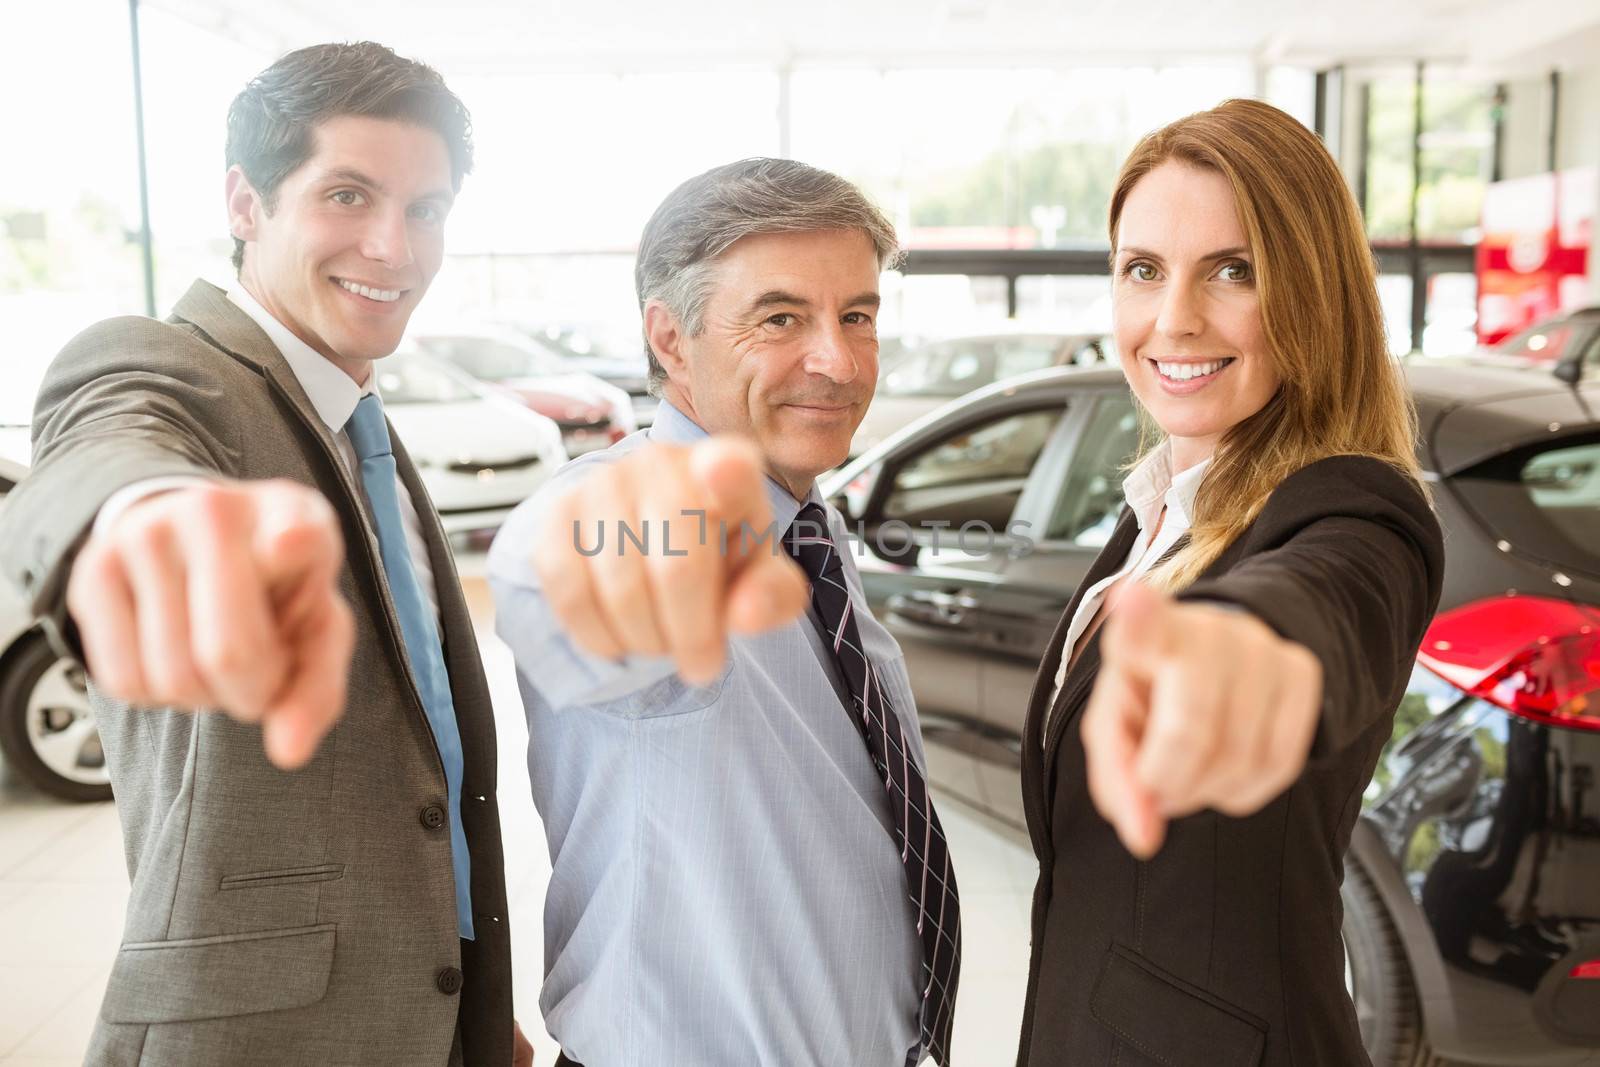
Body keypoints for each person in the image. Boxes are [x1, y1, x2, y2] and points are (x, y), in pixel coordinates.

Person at [0, 42, 532, 1066]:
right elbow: (113, 442)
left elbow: (426, 777)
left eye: (425, 210)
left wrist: (468, 1000)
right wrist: (148, 521)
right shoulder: (166, 366)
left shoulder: (360, 418)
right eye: (346, 194)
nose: (393, 246)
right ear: (246, 202)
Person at [488, 158, 961, 1067]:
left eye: (856, 316)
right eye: (781, 318)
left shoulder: (807, 527)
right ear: (671, 340)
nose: (837, 358)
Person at [1015, 99, 1445, 1065]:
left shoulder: (1353, 511)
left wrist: (1235, 651)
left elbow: (1317, 601)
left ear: (1313, 289)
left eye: (1233, 270)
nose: (1174, 319)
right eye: (1143, 270)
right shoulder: (1156, 509)